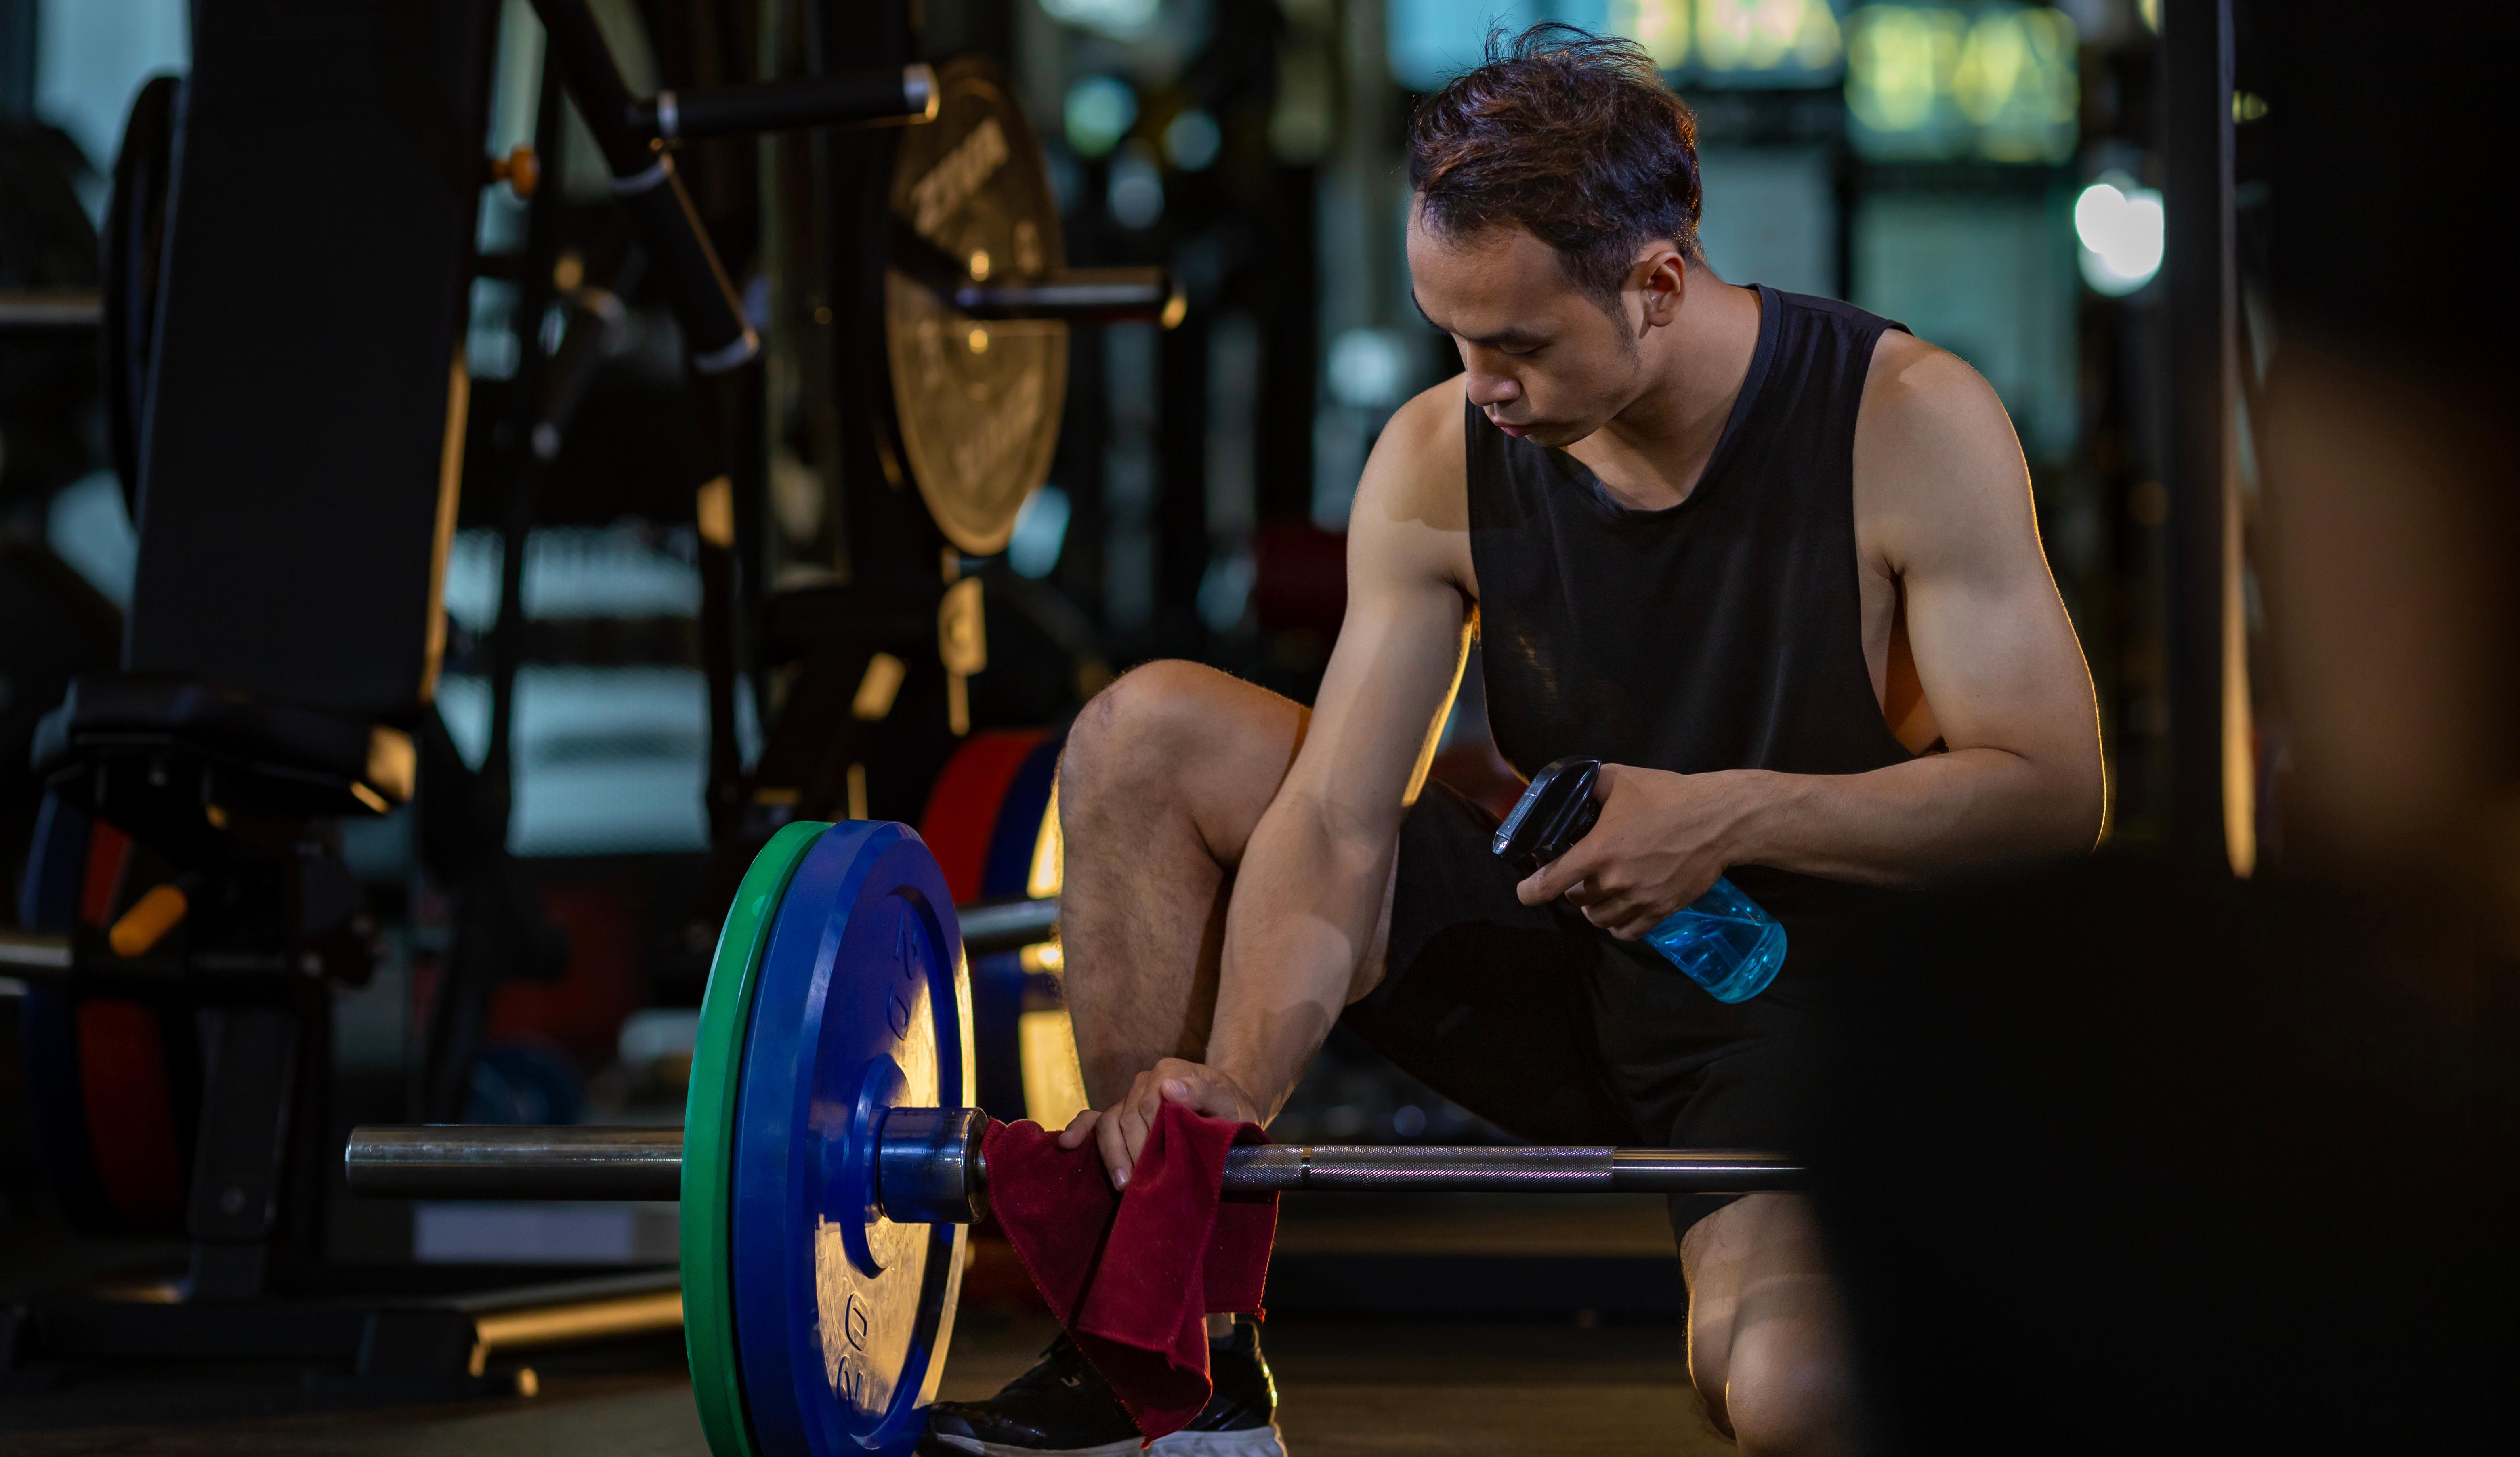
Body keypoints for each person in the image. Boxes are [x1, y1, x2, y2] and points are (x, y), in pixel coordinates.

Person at [924, 26, 2102, 1457]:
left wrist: (1720, 819)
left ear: (1657, 283)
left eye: (1521, 345)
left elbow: (2051, 802)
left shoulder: (1907, 423)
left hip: (1793, 1018)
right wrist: (1236, 1084)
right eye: (1456, 339)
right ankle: (1173, 1358)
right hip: (1557, 946)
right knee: (1150, 732)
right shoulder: (1442, 452)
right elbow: (1339, 819)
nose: (1478, 385)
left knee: (1795, 1391)